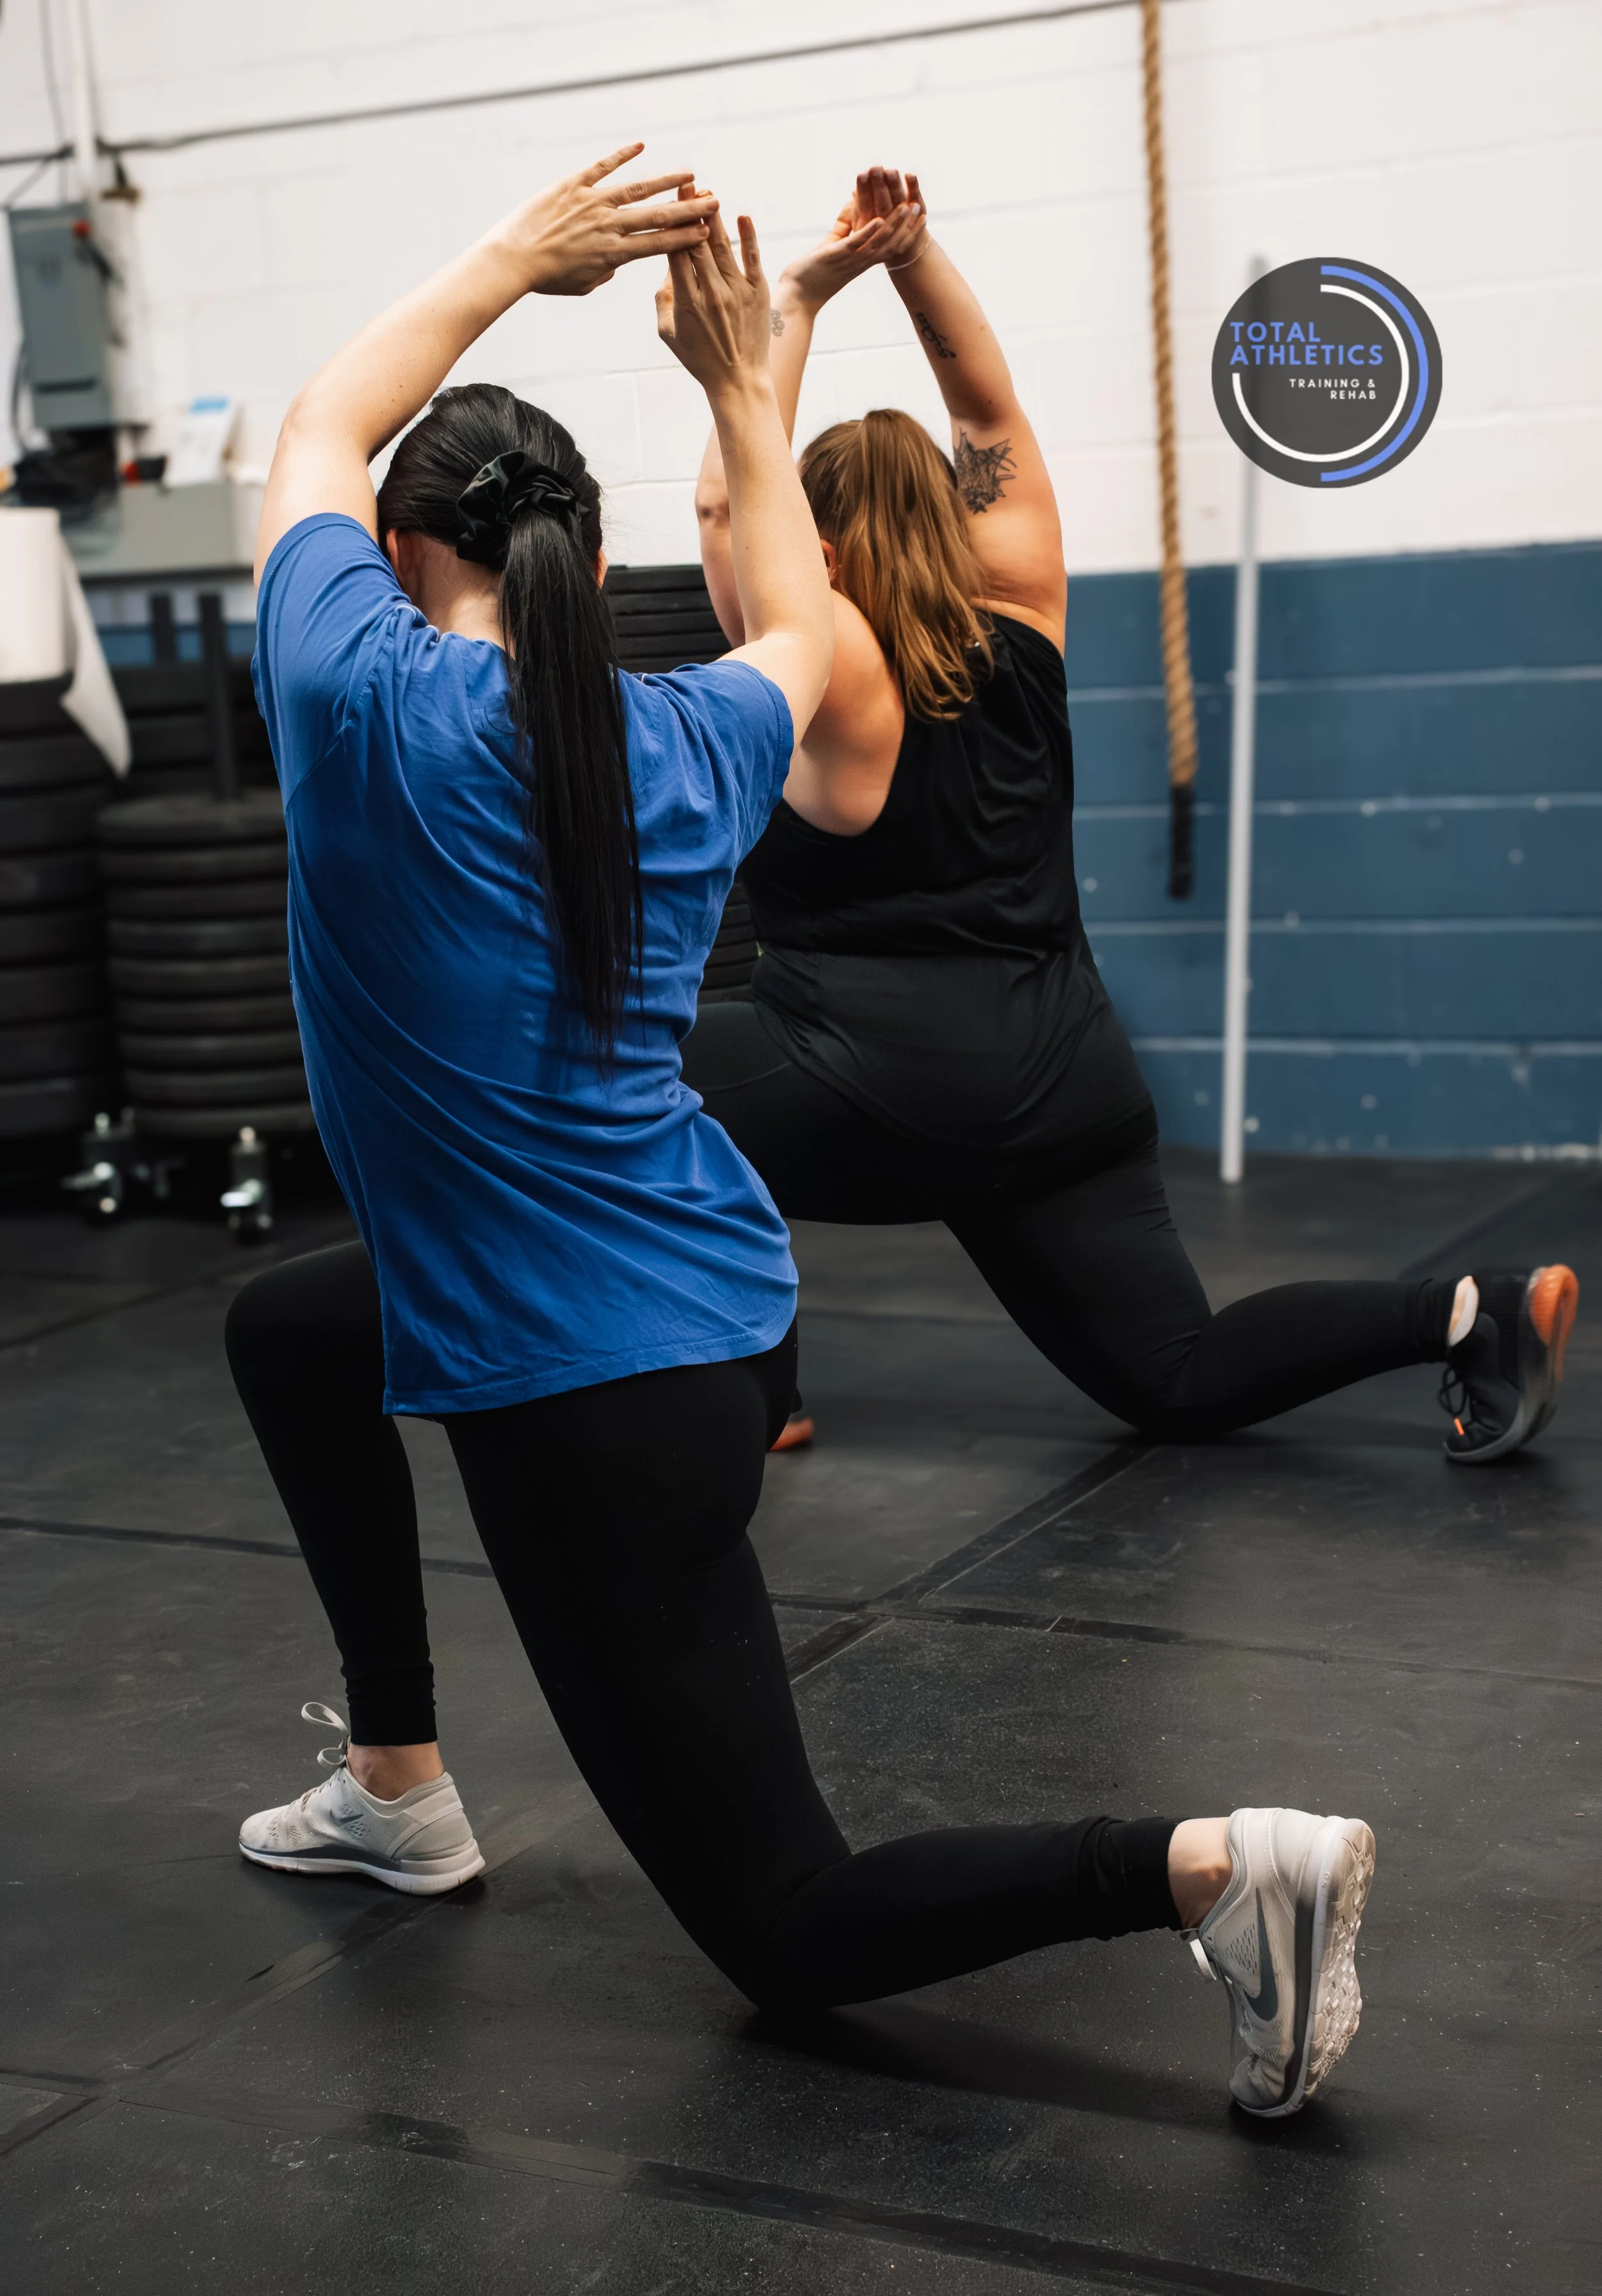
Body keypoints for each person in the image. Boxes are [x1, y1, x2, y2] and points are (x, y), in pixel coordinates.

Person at [226, 144, 1374, 2120]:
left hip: (583, 1388)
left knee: (791, 1924)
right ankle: (395, 1779)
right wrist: (743, 395)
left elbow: (328, 411)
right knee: (290, 1330)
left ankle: (1201, 1865)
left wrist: (520, 258)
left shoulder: (355, 705)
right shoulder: (694, 732)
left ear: (406, 556)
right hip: (711, 1309)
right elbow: (824, 655)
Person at [682, 167, 1579, 1465]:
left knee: (624, 1067)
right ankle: (1462, 1313)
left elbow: (725, 500)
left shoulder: (824, 673)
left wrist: (807, 293)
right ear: (954, 520)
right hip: (1066, 1081)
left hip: (876, 1085)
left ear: (811, 555)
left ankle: (755, 1388)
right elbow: (984, 406)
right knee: (1176, 1371)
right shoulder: (1024, 614)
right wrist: (914, 254)